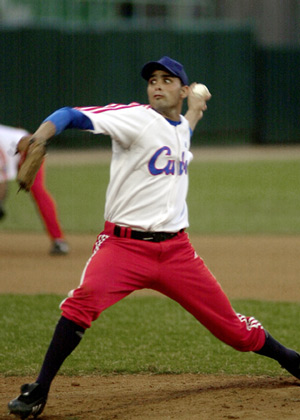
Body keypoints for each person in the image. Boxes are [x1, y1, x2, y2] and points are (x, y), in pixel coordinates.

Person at [8, 56, 299, 419]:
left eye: (167, 79)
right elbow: (71, 114)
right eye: (152, 80)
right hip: (122, 247)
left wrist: (194, 111)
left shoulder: (179, 128)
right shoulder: (135, 117)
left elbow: (181, 134)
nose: (157, 85)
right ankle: (39, 389)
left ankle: (292, 360)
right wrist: (41, 136)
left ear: (183, 89)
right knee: (81, 305)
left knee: (235, 333)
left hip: (177, 253)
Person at [0, 123, 69, 255]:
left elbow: (3, 180)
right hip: (16, 150)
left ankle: (58, 240)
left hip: (29, 147)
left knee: (37, 191)